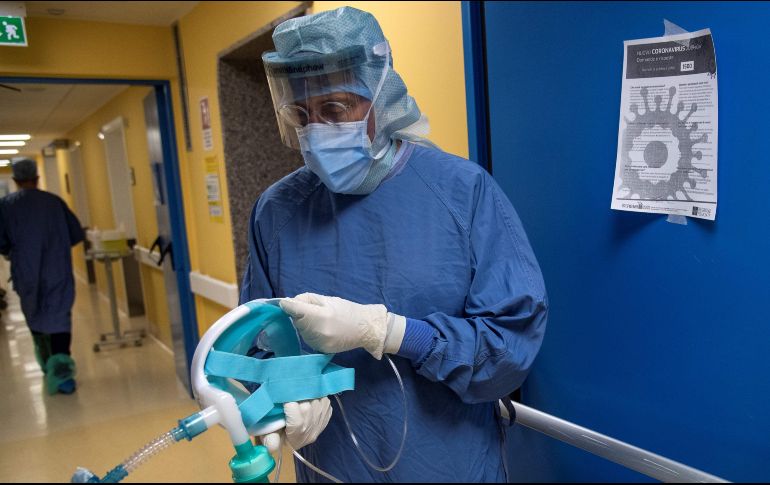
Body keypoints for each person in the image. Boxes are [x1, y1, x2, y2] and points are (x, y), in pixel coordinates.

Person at [240, 7, 548, 482]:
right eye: (302, 115)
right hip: (333, 464)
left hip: (447, 462)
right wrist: (279, 406)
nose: (317, 129)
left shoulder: (461, 192)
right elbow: (254, 345)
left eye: (336, 110)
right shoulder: (276, 212)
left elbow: (509, 348)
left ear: (379, 95)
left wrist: (391, 333)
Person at [0, 158, 85, 395]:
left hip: (27, 274)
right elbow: (75, 234)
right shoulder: (54, 202)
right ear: (36, 178)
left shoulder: (5, 206)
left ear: (16, 180)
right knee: (59, 318)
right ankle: (63, 377)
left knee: (35, 317)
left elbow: (2, 242)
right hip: (57, 270)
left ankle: (48, 366)